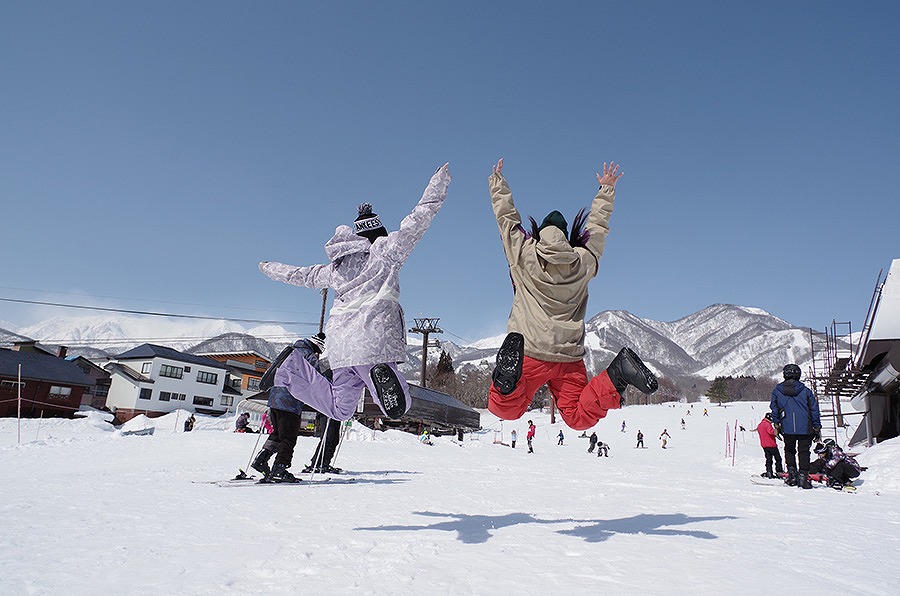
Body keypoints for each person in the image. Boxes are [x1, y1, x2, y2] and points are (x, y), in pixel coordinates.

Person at [259, 164, 451, 425]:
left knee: (340, 409)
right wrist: (439, 182)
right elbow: (417, 220)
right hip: (374, 344)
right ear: (377, 234)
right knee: (399, 406)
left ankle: (292, 368)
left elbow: (300, 275)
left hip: (340, 350)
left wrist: (269, 268)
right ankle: (382, 376)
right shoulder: (385, 252)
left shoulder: (333, 271)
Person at [486, 158, 658, 433]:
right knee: (579, 417)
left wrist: (497, 183)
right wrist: (606, 190)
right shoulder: (584, 261)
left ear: (539, 234)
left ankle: (508, 381)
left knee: (505, 408)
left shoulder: (524, 254)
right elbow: (598, 230)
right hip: (568, 358)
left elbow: (507, 221)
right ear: (568, 238)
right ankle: (617, 374)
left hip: (531, 350)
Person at [251, 334, 327, 483]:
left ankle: (261, 459)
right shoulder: (308, 356)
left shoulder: (289, 351)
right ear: (316, 347)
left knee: (278, 434)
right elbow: (318, 377)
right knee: (288, 437)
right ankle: (280, 468)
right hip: (289, 402)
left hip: (274, 399)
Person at [770, 364, 821, 489]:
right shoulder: (805, 391)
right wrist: (817, 426)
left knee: (789, 450)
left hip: (787, 427)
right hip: (806, 426)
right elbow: (814, 409)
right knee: (804, 451)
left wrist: (776, 424)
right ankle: (803, 476)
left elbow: (774, 408)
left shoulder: (777, 391)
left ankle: (792, 475)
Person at [756, 412, 784, 479]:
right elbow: (770, 432)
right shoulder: (767, 424)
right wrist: (777, 430)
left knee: (768, 459)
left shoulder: (760, 425)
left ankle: (769, 472)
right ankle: (779, 472)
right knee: (778, 459)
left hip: (764, 445)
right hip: (771, 445)